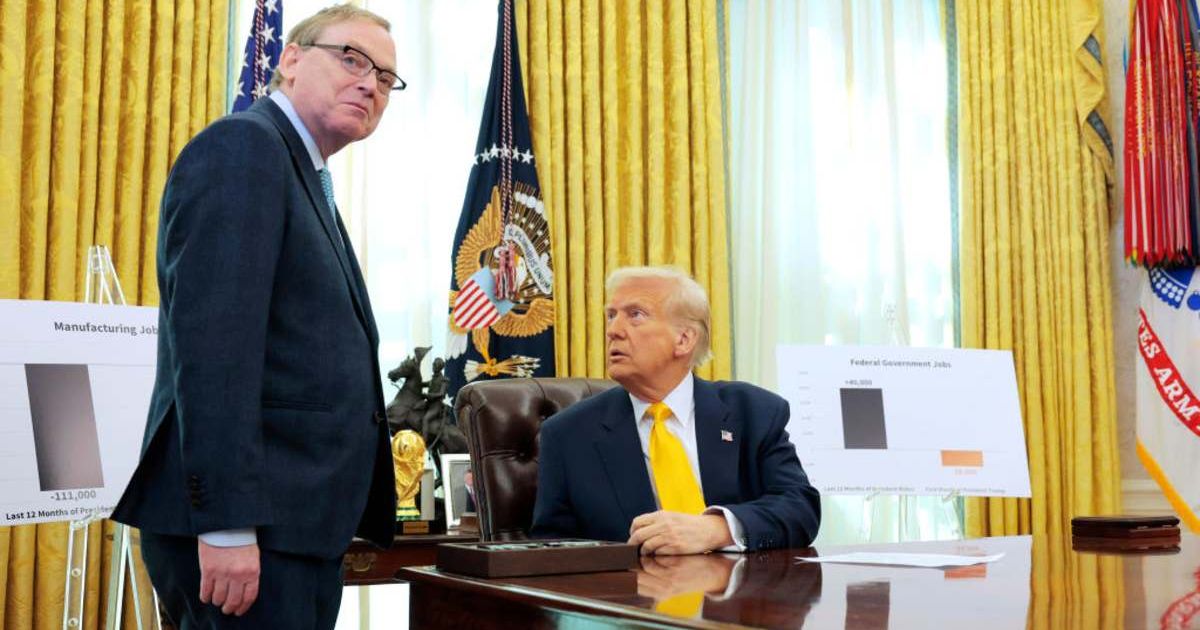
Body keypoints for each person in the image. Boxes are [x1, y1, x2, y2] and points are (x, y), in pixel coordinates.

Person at [111, 5, 402, 627]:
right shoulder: (245, 149)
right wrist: (225, 523)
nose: (369, 84)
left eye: (384, 78)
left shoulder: (302, 173)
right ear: (291, 60)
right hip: (247, 535)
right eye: (351, 59)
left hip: (292, 532)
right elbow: (215, 350)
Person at [531, 266, 821, 553]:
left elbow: (800, 507)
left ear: (684, 339)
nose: (613, 331)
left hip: (742, 593)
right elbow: (553, 552)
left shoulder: (753, 412)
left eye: (635, 315)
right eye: (611, 315)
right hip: (632, 596)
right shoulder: (568, 434)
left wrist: (717, 529)